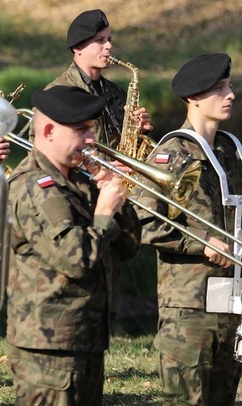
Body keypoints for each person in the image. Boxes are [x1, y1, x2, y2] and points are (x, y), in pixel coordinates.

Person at [135, 53, 242, 405]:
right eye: (219, 89)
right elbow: (145, 223)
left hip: (231, 299)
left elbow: (230, 220)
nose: (230, 95)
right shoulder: (171, 153)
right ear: (194, 99)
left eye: (229, 86)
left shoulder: (228, 149)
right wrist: (200, 245)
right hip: (189, 307)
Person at [5, 85, 141, 404]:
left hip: (85, 337)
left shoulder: (78, 182)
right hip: (49, 350)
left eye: (91, 130)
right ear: (49, 131)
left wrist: (115, 197)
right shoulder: (33, 188)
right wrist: (105, 210)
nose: (91, 140)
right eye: (81, 131)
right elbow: (75, 259)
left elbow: (127, 248)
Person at [47, 8, 152, 149]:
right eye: (100, 40)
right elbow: (45, 152)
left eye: (109, 40)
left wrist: (140, 132)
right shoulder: (57, 93)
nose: (109, 46)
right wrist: (100, 169)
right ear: (77, 47)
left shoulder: (115, 91)